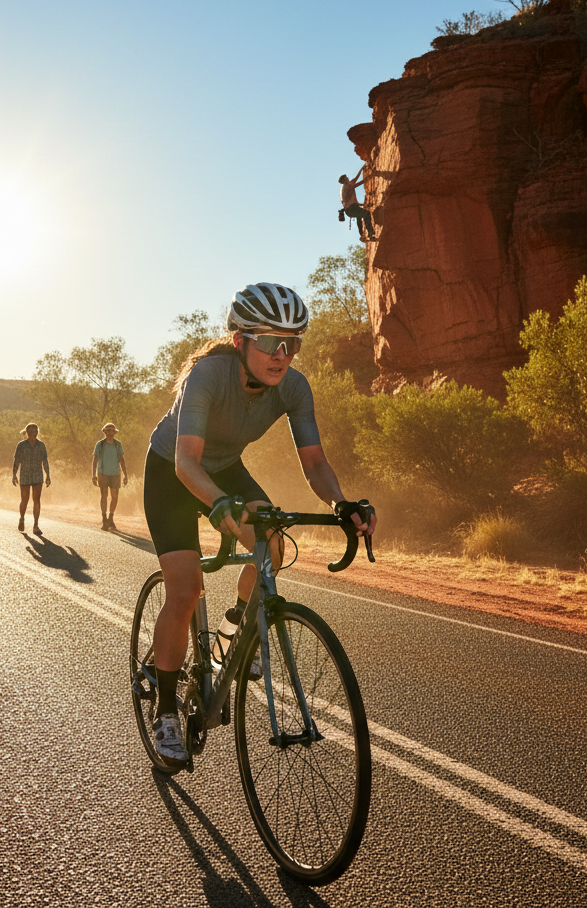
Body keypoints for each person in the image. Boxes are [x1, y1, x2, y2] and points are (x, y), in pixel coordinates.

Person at [142, 282, 376, 768]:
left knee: (271, 540)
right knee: (185, 593)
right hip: (172, 471)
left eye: (294, 343)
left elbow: (314, 463)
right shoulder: (207, 375)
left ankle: (235, 628)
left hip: (224, 467)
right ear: (240, 341)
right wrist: (219, 506)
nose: (283, 354)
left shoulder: (293, 387)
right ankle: (165, 711)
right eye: (271, 342)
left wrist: (341, 503)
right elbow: (187, 464)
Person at [12, 423, 51, 536]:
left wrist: (48, 475)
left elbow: (45, 461)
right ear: (27, 433)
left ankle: (36, 525)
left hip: (38, 475)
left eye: (34, 432)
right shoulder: (21, 445)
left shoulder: (41, 445)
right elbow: (16, 461)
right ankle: (22, 518)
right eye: (30, 432)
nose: (32, 434)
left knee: (36, 500)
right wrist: (14, 474)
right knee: (25, 500)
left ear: (37, 432)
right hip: (25, 475)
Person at [92, 423, 129, 531]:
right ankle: (104, 519)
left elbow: (122, 460)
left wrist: (126, 475)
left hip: (115, 473)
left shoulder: (118, 444)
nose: (110, 433)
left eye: (112, 431)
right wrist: (93, 475)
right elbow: (95, 460)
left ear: (114, 432)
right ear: (104, 432)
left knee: (114, 496)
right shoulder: (100, 444)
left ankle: (111, 518)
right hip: (102, 473)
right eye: (108, 431)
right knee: (104, 496)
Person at [338, 168, 375, 241]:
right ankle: (370, 234)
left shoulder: (344, 187)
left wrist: (361, 170)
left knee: (359, 216)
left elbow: (355, 179)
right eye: (347, 178)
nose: (348, 178)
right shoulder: (348, 186)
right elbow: (360, 183)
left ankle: (362, 235)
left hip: (349, 210)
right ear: (345, 180)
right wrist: (371, 175)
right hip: (352, 209)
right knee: (366, 213)